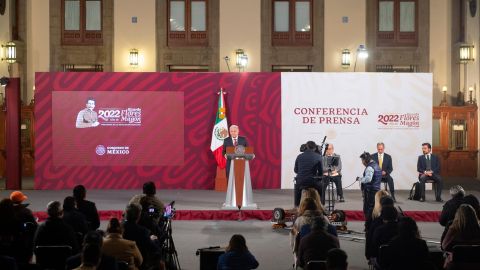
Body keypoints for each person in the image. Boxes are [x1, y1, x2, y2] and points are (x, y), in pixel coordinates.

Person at [9, 191, 37, 263]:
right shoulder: (27, 212)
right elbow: (34, 226)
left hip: (10, 244)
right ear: (21, 200)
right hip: (25, 244)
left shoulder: (6, 212)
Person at [294, 141, 323, 207]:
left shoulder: (299, 156)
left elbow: (296, 170)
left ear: (306, 147)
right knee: (321, 186)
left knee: (297, 186)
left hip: (300, 181)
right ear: (315, 148)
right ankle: (321, 205)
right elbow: (321, 173)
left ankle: (296, 206)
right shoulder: (318, 157)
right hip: (312, 182)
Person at [357, 152, 382, 222]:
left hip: (370, 191)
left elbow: (368, 179)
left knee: (368, 209)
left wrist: (360, 179)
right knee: (374, 208)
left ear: (365, 160)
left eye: (362, 160)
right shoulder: (376, 165)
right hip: (376, 190)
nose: (362, 162)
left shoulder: (370, 167)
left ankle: (369, 225)